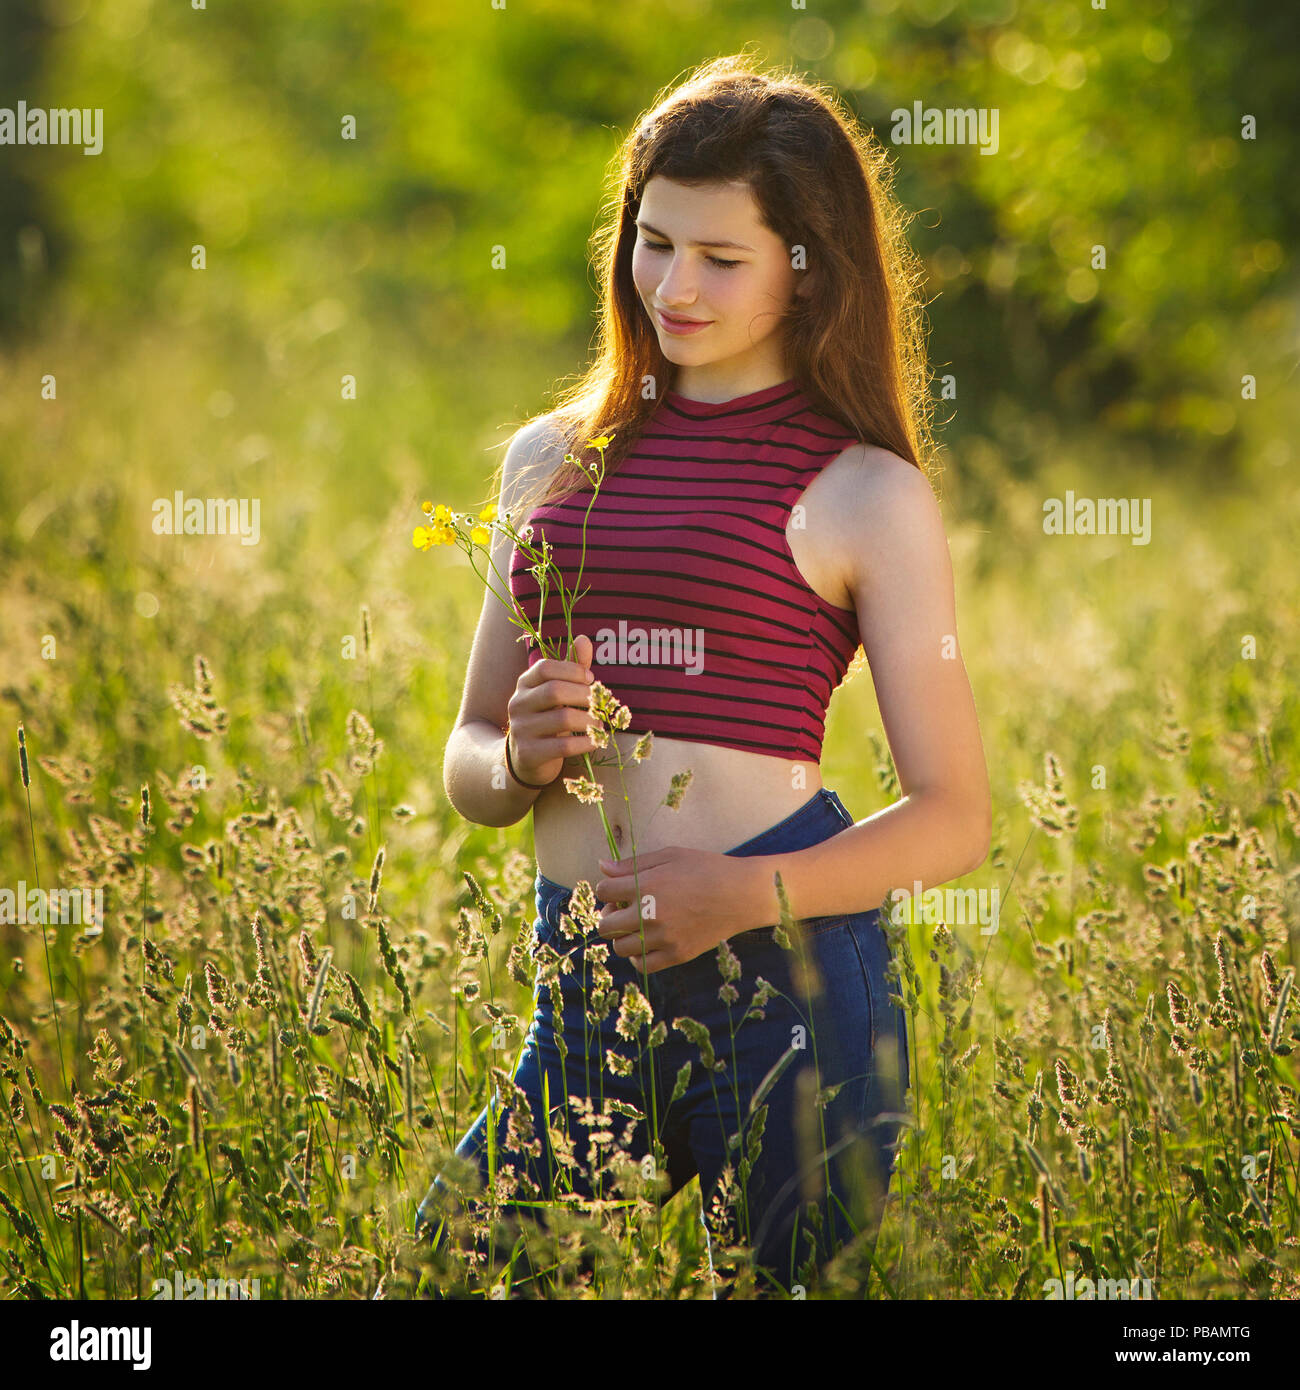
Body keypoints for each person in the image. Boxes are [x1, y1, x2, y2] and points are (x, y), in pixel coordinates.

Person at [415, 53, 990, 1299]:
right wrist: (514, 756)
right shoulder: (549, 457)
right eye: (652, 241)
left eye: (720, 258)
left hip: (783, 993)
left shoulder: (867, 493)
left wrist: (738, 897)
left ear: (808, 263)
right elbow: (468, 765)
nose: (673, 286)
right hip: (578, 988)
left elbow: (954, 815)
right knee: (441, 1278)